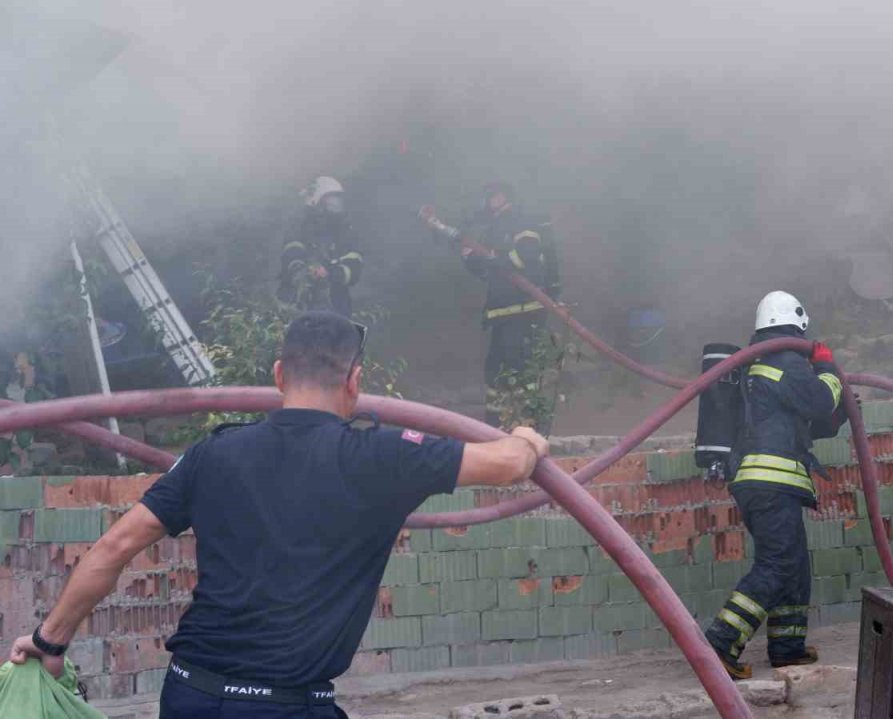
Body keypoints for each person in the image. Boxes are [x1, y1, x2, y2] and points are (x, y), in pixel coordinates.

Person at [7, 311, 550, 718]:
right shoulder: (382, 456)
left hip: (189, 694)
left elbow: (112, 548)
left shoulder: (212, 453)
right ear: (354, 381)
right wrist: (527, 436)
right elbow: (508, 463)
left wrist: (51, 642)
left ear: (277, 374)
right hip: (284, 706)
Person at [703, 291, 846, 680]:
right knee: (778, 563)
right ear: (798, 322)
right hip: (771, 482)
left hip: (760, 482)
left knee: (794, 565)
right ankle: (720, 642)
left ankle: (788, 647)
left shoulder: (758, 364)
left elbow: (799, 418)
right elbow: (819, 400)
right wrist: (830, 369)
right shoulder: (787, 361)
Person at [457, 182, 561, 428]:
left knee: (521, 370)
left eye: (492, 195)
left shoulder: (519, 221)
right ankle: (496, 426)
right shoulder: (494, 227)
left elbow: (527, 257)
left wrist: (495, 259)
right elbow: (486, 271)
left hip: (523, 312)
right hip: (503, 314)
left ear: (504, 197)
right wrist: (470, 257)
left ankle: (527, 426)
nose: (488, 201)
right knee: (496, 371)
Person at [278, 176, 365, 317]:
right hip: (296, 306)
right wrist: (301, 271)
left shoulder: (344, 231)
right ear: (316, 201)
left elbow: (354, 265)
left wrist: (331, 273)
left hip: (335, 308)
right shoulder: (300, 225)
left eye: (338, 200)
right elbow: (292, 252)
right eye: (331, 200)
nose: (336, 205)